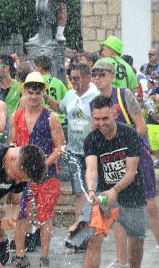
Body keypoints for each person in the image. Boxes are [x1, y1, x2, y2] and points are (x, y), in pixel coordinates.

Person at [91, 61, 159, 268]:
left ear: (111, 75)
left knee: (152, 206)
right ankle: (121, 260)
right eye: (94, 73)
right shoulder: (95, 102)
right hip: (112, 160)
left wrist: (124, 145)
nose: (98, 77)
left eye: (102, 73)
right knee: (118, 208)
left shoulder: (123, 95)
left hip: (137, 155)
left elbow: (142, 126)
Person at [7, 72, 65, 268]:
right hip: (22, 177)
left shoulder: (52, 118)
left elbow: (60, 147)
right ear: (24, 91)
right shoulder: (16, 116)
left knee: (45, 216)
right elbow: (12, 143)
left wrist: (43, 165)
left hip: (47, 176)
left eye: (37, 92)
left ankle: (45, 258)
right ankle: (20, 256)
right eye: (30, 92)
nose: (33, 96)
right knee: (20, 215)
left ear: (42, 93)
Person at [83, 95, 147, 268]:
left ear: (114, 113)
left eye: (105, 118)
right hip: (104, 196)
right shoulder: (91, 139)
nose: (101, 123)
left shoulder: (129, 134)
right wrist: (91, 190)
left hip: (132, 193)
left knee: (136, 239)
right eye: (96, 119)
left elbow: (131, 172)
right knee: (93, 239)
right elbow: (91, 170)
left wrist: (115, 190)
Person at [44, 63, 99, 219]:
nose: (73, 82)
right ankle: (78, 228)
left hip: (92, 152)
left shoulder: (96, 96)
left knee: (93, 190)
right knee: (78, 192)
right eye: (71, 78)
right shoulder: (70, 95)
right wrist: (45, 97)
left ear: (88, 78)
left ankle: (95, 226)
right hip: (74, 152)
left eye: (76, 78)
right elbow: (59, 108)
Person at [34, 55, 68, 124]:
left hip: (42, 119)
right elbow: (67, 100)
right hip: (59, 119)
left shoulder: (35, 83)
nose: (34, 70)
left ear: (40, 68)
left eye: (35, 67)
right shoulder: (58, 82)